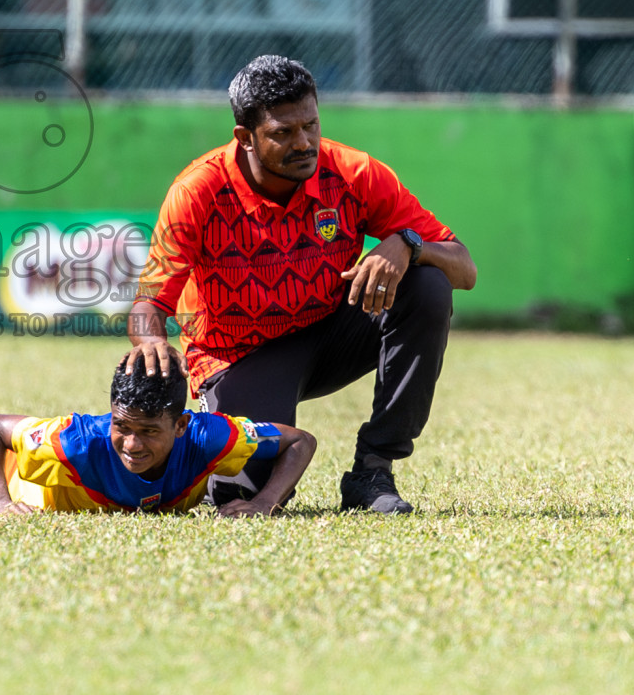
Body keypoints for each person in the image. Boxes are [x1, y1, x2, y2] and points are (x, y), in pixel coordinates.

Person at [124, 55, 477, 515]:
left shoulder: (353, 173)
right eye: (283, 132)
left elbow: (463, 268)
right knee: (246, 494)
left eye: (311, 124)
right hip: (239, 356)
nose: (304, 142)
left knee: (428, 284)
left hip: (331, 332)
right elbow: (148, 303)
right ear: (245, 138)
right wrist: (150, 341)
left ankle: (372, 470)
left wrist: (409, 244)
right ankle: (223, 443)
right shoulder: (199, 191)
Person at [0, 363, 316, 516]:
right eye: (123, 427)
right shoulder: (76, 441)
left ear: (181, 424)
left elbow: (301, 442)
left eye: (149, 432)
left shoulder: (213, 436)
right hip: (24, 480)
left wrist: (266, 502)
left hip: (32, 455)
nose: (131, 444)